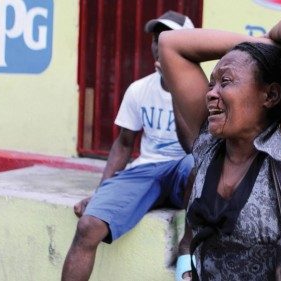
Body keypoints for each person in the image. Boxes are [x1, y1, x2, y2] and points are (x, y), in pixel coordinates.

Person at [159, 11, 281, 280]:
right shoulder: (209, 141)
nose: (210, 93)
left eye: (226, 81)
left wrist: (262, 48)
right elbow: (169, 44)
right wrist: (256, 43)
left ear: (271, 95)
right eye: (211, 83)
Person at [62, 11, 195, 281]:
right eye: (157, 38)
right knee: (88, 226)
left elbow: (195, 146)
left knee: (199, 163)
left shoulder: (203, 89)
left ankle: (188, 245)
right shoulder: (138, 90)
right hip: (147, 171)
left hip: (186, 172)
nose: (161, 44)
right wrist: (100, 194)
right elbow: (123, 145)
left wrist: (175, 87)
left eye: (169, 38)